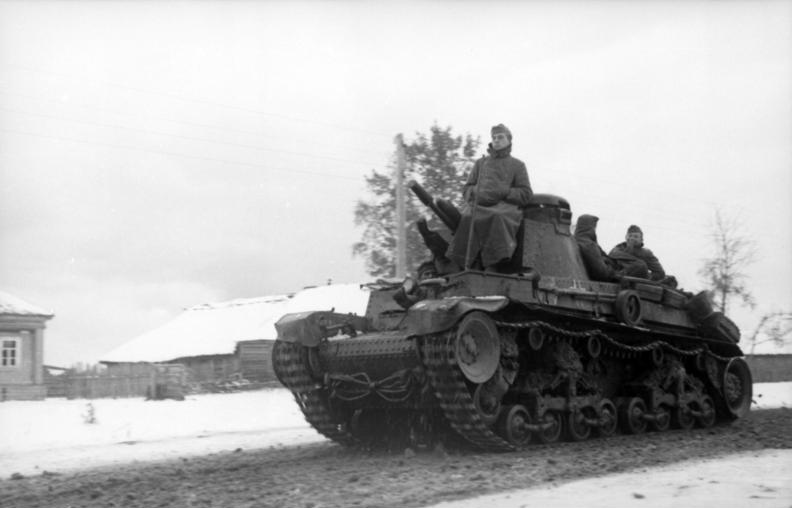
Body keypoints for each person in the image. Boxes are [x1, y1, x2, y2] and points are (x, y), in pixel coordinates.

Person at [446, 124, 533, 272]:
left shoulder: (518, 165)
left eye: (500, 137)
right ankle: (462, 262)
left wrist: (505, 191)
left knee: (496, 217)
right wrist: (475, 191)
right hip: (480, 204)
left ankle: (494, 264)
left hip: (506, 206)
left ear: (509, 140)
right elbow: (466, 188)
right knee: (468, 217)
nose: (496, 140)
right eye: (494, 138)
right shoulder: (481, 163)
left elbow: (526, 193)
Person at [573, 214, 623, 282]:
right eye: (594, 227)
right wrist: (613, 271)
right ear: (590, 228)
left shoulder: (573, 241)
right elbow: (602, 273)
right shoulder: (589, 245)